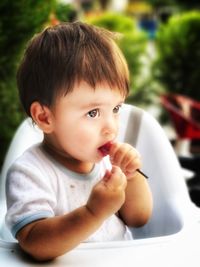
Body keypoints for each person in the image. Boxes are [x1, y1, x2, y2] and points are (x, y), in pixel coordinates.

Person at [5, 21, 153, 261]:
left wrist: (132, 177)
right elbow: (34, 242)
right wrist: (93, 213)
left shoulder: (107, 164)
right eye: (93, 113)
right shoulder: (30, 172)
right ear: (45, 117)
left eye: (115, 108)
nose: (111, 128)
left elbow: (139, 219)